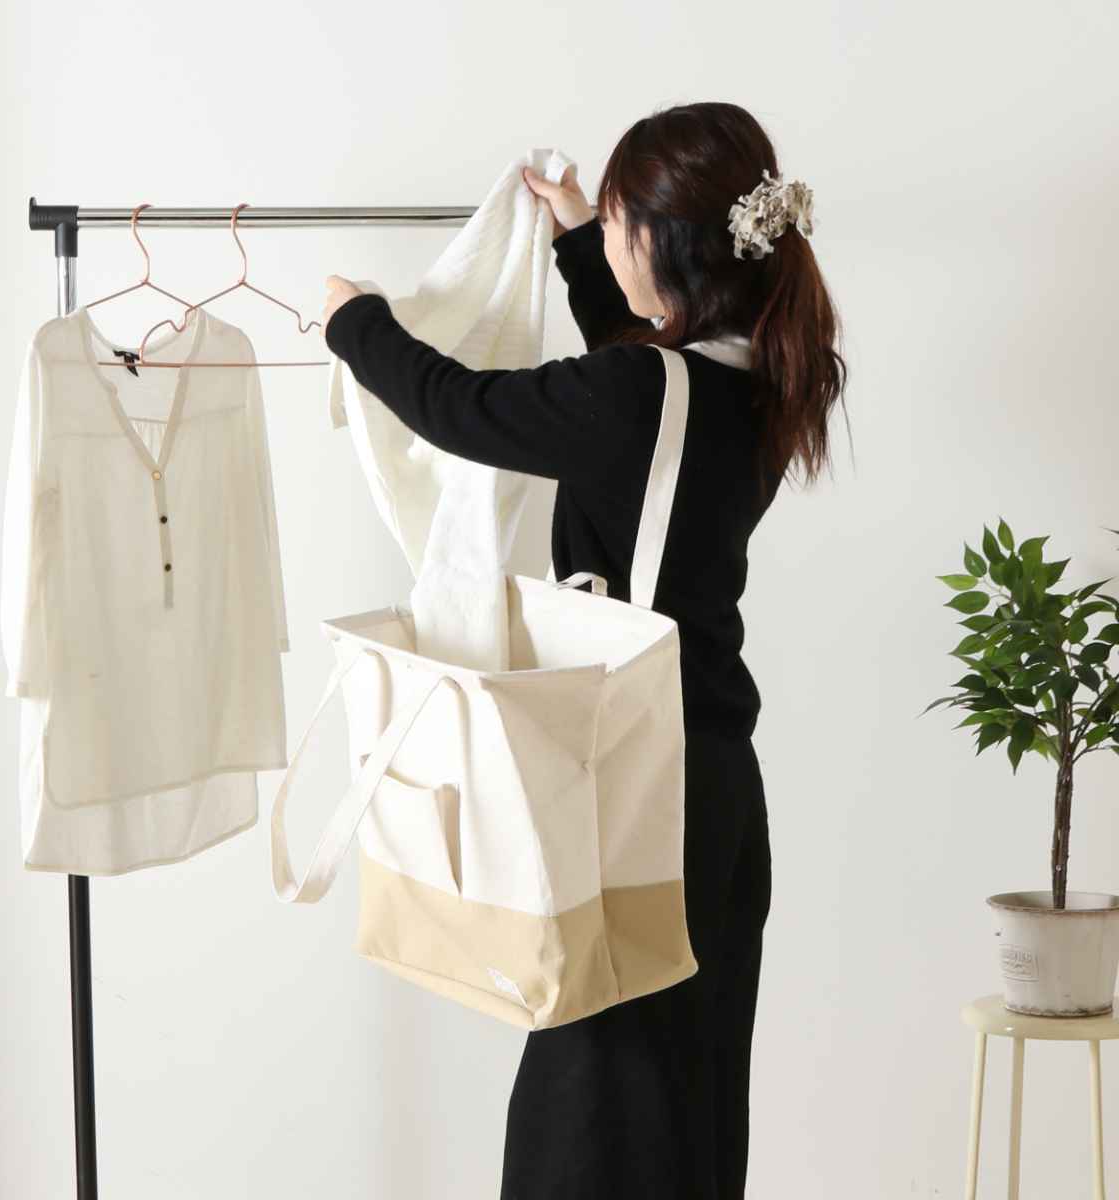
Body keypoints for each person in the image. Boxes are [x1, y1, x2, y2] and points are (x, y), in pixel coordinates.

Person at [319, 101, 848, 1200]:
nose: (607, 239)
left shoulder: (643, 395)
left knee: (592, 1126)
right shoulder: (758, 378)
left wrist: (354, 323)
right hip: (714, 796)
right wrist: (571, 234)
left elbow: (458, 407)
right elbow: (636, 385)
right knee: (683, 1108)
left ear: (663, 240)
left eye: (615, 223)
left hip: (634, 796)